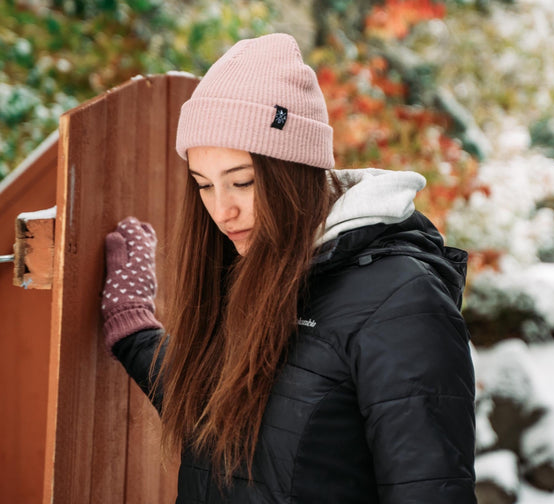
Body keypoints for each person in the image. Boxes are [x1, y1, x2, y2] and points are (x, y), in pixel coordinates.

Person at [101, 33, 476, 503]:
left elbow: (429, 490)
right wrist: (131, 324)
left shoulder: (400, 303)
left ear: (293, 170)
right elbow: (230, 416)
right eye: (204, 185)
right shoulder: (256, 268)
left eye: (242, 181)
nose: (222, 211)